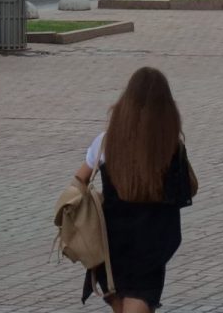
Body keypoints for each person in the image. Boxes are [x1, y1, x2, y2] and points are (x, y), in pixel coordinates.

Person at [72, 67, 197, 313]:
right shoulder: (171, 147)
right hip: (152, 246)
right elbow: (189, 190)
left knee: (121, 303)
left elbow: (78, 180)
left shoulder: (107, 142)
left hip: (112, 243)